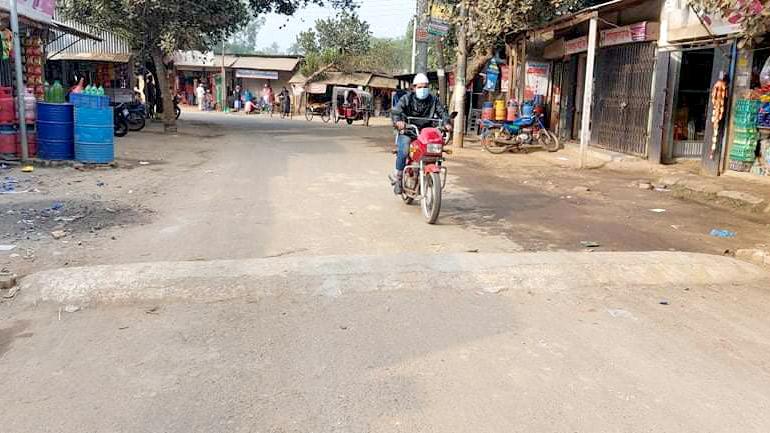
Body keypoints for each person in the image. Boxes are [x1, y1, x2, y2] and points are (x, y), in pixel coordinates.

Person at [390, 73, 451, 194]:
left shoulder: (433, 99)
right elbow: (396, 111)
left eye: (425, 87)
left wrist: (446, 123)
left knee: (435, 150)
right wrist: (398, 121)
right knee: (404, 149)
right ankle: (399, 178)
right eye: (419, 87)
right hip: (409, 130)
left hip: (426, 133)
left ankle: (427, 173)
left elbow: (442, 112)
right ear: (414, 88)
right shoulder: (406, 98)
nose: (423, 89)